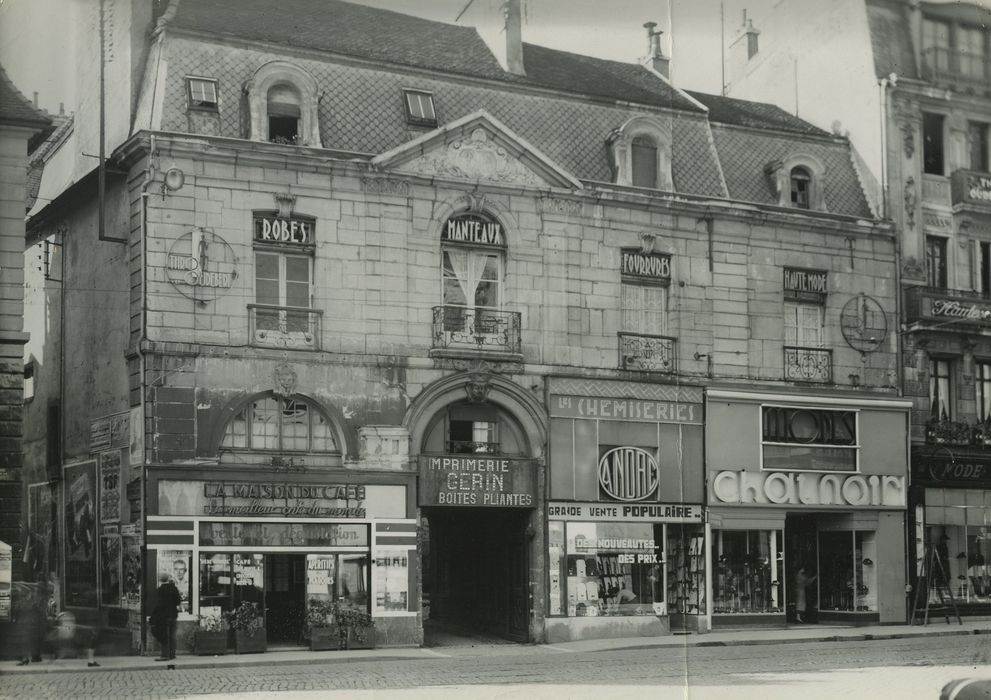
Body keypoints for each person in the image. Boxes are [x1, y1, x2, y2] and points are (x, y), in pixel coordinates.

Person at [152, 573, 181, 661]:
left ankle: (165, 655)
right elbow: (178, 601)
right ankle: (172, 654)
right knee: (172, 635)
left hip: (163, 616)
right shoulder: (174, 588)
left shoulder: (160, 590)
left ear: (160, 580)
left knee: (164, 635)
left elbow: (158, 604)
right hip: (173, 614)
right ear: (168, 579)